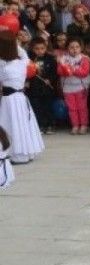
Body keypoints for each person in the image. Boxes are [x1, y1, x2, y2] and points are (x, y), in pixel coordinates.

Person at [0, 29, 44, 164]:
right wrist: (14, 42)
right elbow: (23, 54)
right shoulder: (23, 62)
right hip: (21, 97)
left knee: (11, 123)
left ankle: (15, 153)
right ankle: (26, 152)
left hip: (8, 99)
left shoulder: (2, 65)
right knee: (22, 123)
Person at [57, 37, 90, 134]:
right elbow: (60, 71)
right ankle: (75, 125)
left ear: (81, 48)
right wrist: (65, 68)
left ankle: (84, 125)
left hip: (81, 87)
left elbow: (85, 72)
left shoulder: (84, 59)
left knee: (82, 107)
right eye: (72, 47)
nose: (74, 49)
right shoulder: (63, 59)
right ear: (67, 48)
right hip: (67, 88)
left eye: (77, 47)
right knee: (72, 108)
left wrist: (72, 70)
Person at [27, 37, 58, 135]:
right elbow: (26, 72)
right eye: (37, 48)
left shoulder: (50, 59)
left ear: (46, 48)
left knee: (48, 107)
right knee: (36, 108)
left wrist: (50, 79)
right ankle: (39, 125)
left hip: (47, 88)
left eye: (42, 48)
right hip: (34, 88)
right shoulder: (29, 59)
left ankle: (50, 125)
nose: (40, 51)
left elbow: (55, 72)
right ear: (32, 49)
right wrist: (27, 81)